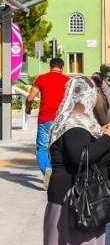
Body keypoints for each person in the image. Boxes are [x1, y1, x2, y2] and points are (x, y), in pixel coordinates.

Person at [36, 77, 110, 245]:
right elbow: (80, 157)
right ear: (86, 97)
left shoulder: (70, 122)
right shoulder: (75, 124)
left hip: (65, 196)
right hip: (73, 199)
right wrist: (108, 138)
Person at [26, 57, 69, 189]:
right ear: (62, 68)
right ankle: (61, 176)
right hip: (62, 121)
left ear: (50, 66)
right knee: (62, 148)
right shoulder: (68, 80)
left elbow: (30, 98)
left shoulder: (41, 78)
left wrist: (28, 108)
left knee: (42, 148)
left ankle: (47, 170)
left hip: (45, 119)